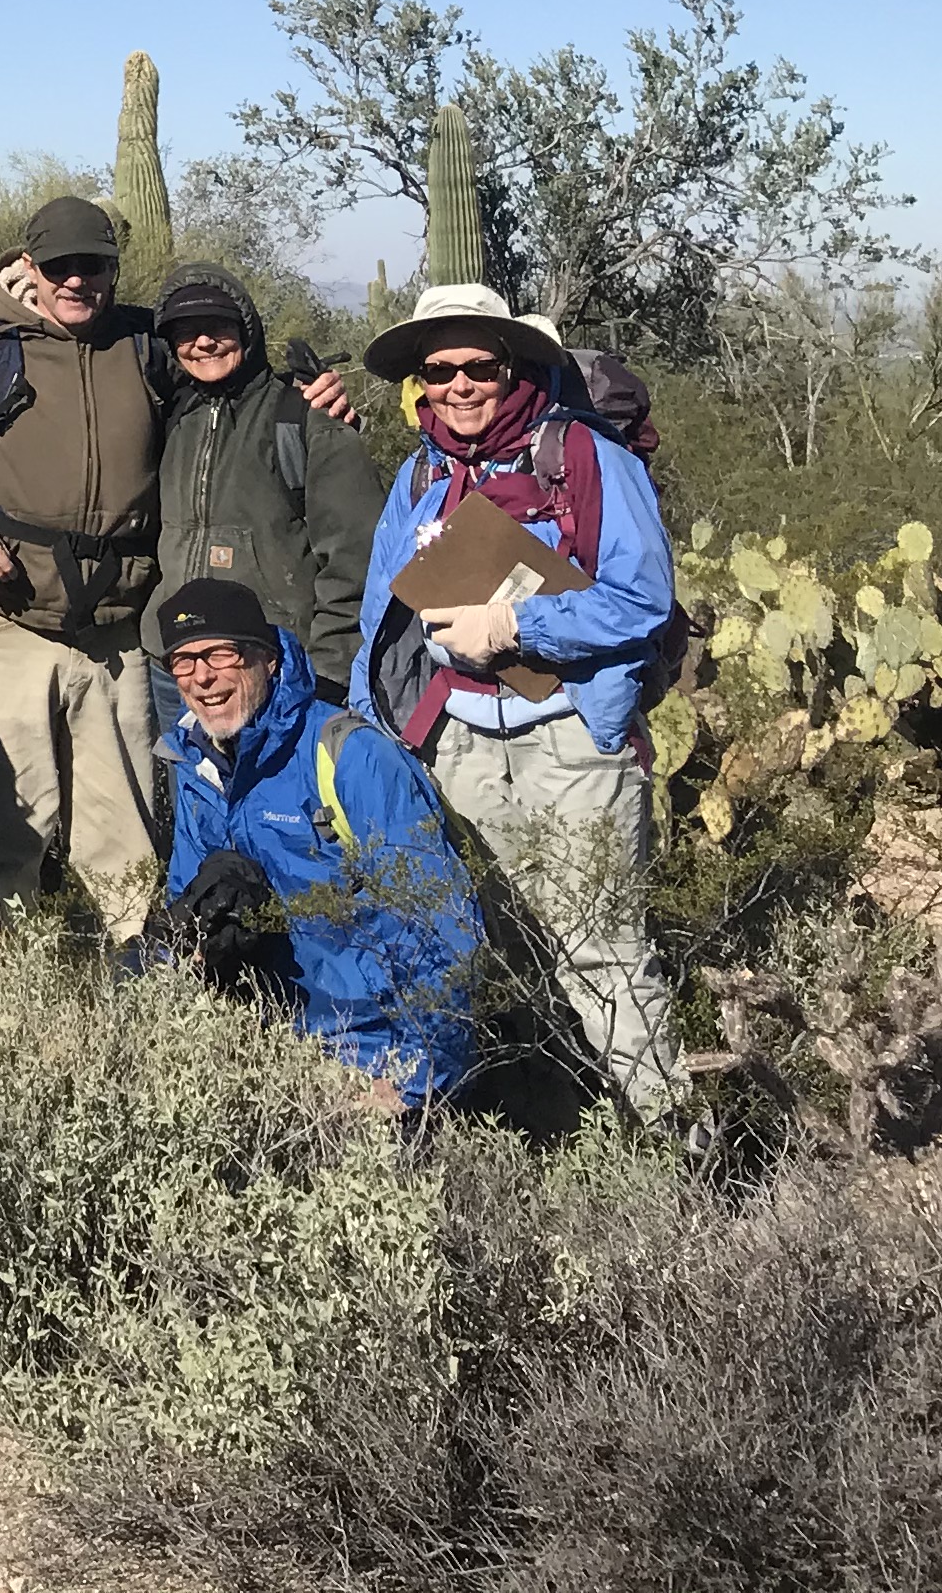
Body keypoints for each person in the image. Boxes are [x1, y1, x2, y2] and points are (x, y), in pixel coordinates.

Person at [352, 285, 684, 1124]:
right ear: (418, 381)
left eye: (480, 367)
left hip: (572, 736)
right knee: (496, 941)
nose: (459, 386)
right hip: (456, 740)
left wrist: (517, 623)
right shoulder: (422, 471)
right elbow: (379, 612)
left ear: (516, 367)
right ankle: (551, 1122)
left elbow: (641, 600)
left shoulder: (583, 457)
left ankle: (670, 1138)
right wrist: (369, 726)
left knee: (600, 947)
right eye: (439, 370)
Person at [0, 196, 167, 939]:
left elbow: (230, 391)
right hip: (9, 616)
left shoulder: (146, 346)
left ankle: (124, 982)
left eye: (93, 267)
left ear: (113, 270)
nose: (77, 282)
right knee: (3, 826)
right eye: (60, 268)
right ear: (31, 267)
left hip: (117, 628)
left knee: (123, 830)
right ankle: (7, 987)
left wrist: (317, 404)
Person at [155, 576, 479, 1113]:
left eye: (220, 654)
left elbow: (442, 928)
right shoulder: (196, 765)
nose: (202, 678)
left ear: (268, 661)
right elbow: (182, 912)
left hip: (378, 1058)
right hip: (266, 1046)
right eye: (183, 663)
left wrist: (416, 1085)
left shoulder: (349, 757)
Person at [150, 264, 382, 702]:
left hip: (273, 662)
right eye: (187, 331)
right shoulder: (174, 418)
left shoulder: (305, 417)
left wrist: (329, 669)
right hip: (177, 662)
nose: (203, 342)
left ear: (247, 330)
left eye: (218, 325)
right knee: (192, 772)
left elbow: (355, 561)